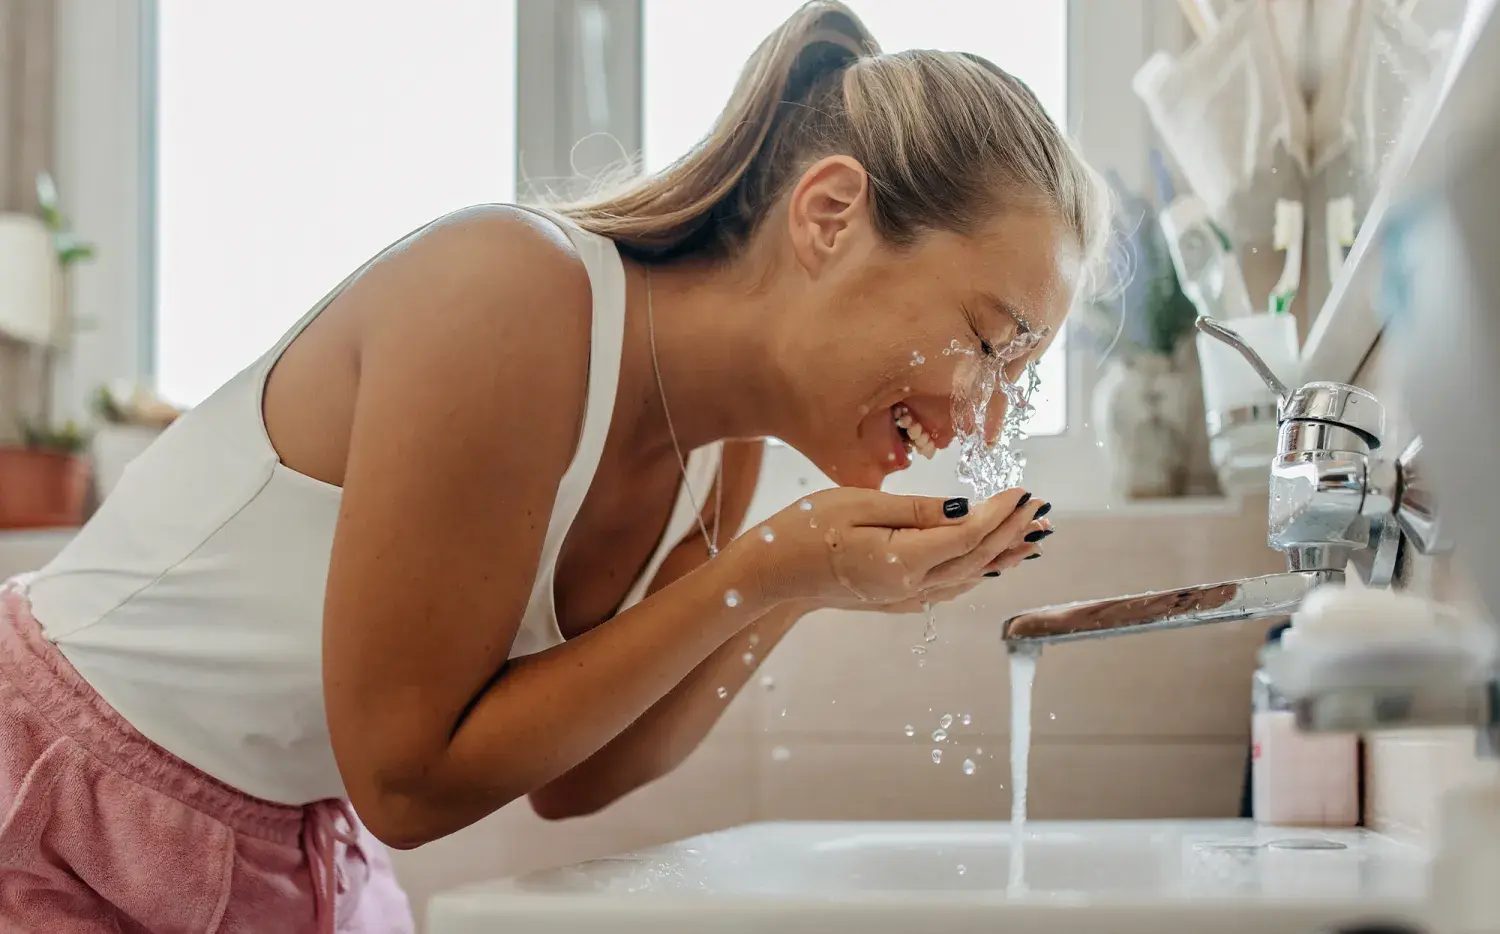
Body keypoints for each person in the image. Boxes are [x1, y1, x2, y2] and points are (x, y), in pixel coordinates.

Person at [0, 2, 1109, 931]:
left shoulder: (721, 468)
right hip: (58, 801)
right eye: (991, 340)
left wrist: (799, 583)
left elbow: (583, 781)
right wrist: (762, 571)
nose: (990, 410)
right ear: (829, 216)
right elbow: (405, 780)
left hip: (282, 846)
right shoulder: (508, 294)